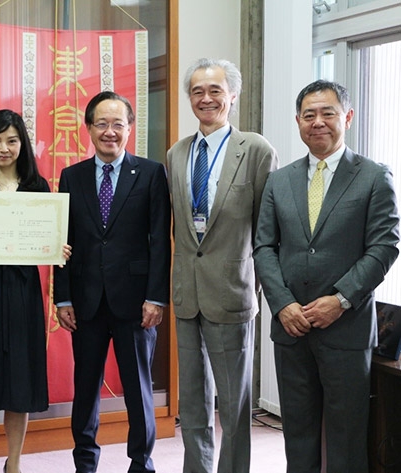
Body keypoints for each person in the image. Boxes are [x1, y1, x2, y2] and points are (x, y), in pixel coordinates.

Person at [254, 80, 399, 473]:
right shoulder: (278, 180)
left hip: (346, 329)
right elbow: (264, 247)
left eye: (328, 113)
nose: (317, 122)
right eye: (309, 115)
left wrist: (341, 299)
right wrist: (282, 305)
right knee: (296, 432)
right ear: (298, 121)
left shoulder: (373, 176)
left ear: (347, 117)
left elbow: (384, 247)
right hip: (291, 329)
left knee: (347, 436)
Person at [165, 58, 278, 473]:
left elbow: (269, 231)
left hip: (231, 292)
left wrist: (259, 289)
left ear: (233, 95)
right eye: (197, 91)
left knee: (233, 404)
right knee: (192, 401)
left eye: (215, 90)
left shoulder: (257, 149)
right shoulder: (177, 154)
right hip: (187, 294)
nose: (206, 98)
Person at [54, 91, 171, 473]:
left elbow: (160, 240)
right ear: (88, 128)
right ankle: (85, 462)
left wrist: (156, 296)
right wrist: (63, 299)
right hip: (86, 301)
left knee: (138, 389)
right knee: (85, 388)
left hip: (136, 301)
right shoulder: (72, 176)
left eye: (118, 124)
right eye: (101, 124)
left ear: (130, 128)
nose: (110, 132)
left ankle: (141, 461)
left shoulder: (151, 173)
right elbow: (62, 241)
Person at [0, 109, 70, 473]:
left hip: (22, 293)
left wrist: (57, 247)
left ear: (23, 144)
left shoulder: (40, 188)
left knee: (20, 379)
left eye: (12, 140)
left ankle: (14, 462)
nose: (3, 148)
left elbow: (50, 241)